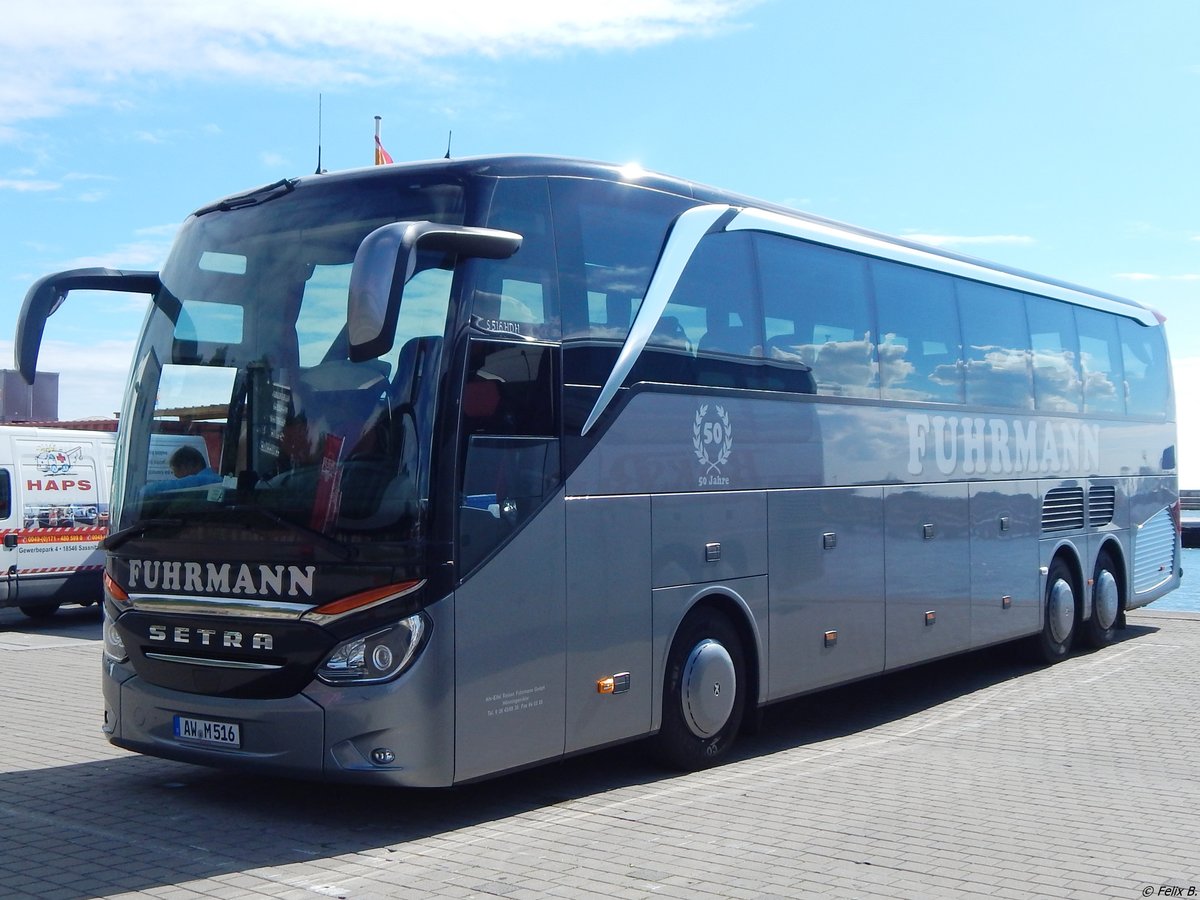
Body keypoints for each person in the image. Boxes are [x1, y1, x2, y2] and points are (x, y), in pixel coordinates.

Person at [144, 445, 221, 496]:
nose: (181, 480)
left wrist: (141, 493)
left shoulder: (202, 481)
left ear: (188, 466)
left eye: (181, 478)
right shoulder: (219, 480)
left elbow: (176, 485)